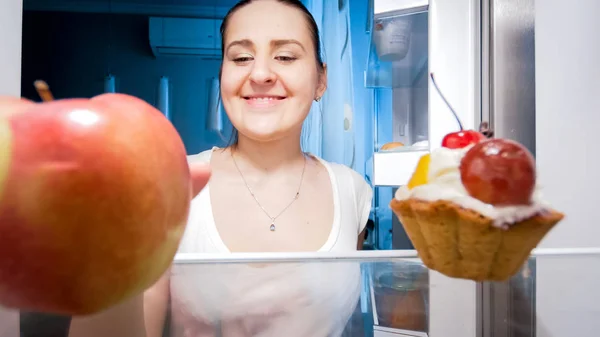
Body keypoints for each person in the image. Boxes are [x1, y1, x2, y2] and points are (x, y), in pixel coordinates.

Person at [68, 0, 372, 336]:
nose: (259, 74)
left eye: (285, 56)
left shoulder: (352, 190)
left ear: (321, 79)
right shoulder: (169, 183)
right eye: (241, 57)